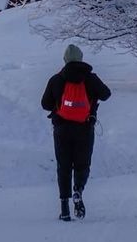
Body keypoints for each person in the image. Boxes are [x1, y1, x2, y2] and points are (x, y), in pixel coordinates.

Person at [41, 44, 111, 221]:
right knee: (82, 164)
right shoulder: (90, 78)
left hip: (61, 129)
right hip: (85, 128)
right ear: (81, 58)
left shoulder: (56, 79)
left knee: (63, 167)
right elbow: (106, 94)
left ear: (64, 59)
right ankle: (78, 190)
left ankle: (64, 209)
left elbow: (45, 104)